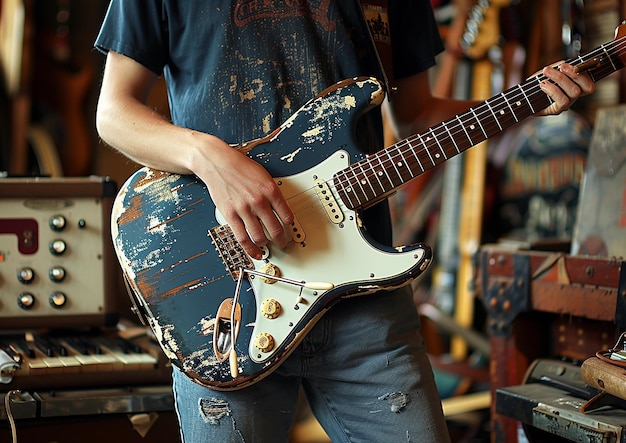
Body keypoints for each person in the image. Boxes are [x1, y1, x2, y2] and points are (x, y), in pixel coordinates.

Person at [94, 1, 594, 442]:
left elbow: (416, 117)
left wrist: (528, 104)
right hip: (231, 303)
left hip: (365, 307)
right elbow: (114, 112)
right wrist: (208, 156)